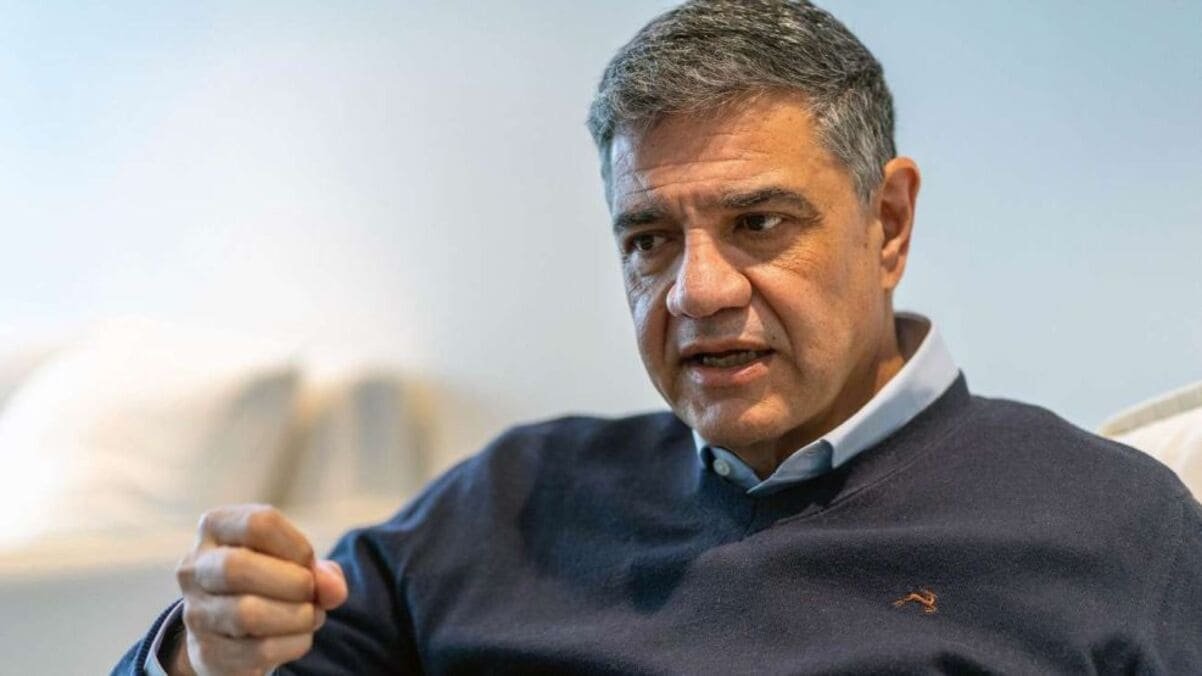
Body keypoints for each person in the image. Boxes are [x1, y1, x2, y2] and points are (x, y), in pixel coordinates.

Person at [115, 1, 1202, 674]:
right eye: (648, 239)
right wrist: (202, 651)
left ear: (887, 223)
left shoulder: (1109, 524)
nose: (696, 290)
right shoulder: (513, 499)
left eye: (758, 223)